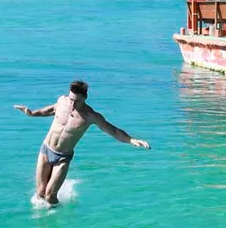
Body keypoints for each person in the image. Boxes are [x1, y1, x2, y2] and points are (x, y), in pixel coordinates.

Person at [14, 80, 149, 206]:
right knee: (40, 193)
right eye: (71, 99)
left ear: (85, 98)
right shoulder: (62, 101)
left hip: (62, 157)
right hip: (45, 150)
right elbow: (50, 110)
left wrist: (131, 140)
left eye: (77, 101)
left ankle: (56, 218)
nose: (72, 104)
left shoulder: (90, 116)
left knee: (49, 196)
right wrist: (32, 113)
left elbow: (112, 130)